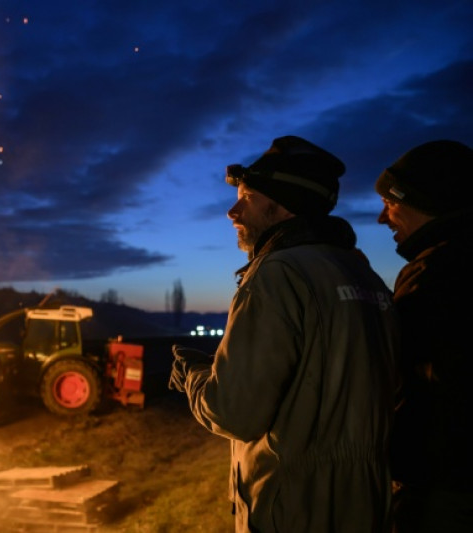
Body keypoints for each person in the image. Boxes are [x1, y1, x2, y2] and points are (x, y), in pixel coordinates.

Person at [168, 135, 399, 532]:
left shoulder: (277, 276)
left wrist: (194, 376)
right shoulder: (366, 277)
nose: (232, 211)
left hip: (292, 507)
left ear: (281, 205)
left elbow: (234, 411)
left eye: (248, 197)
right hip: (365, 503)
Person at [374, 139, 473, 533]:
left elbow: (398, 368)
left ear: (423, 201)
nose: (383, 219)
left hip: (444, 486)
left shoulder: (439, 271)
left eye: (390, 202)